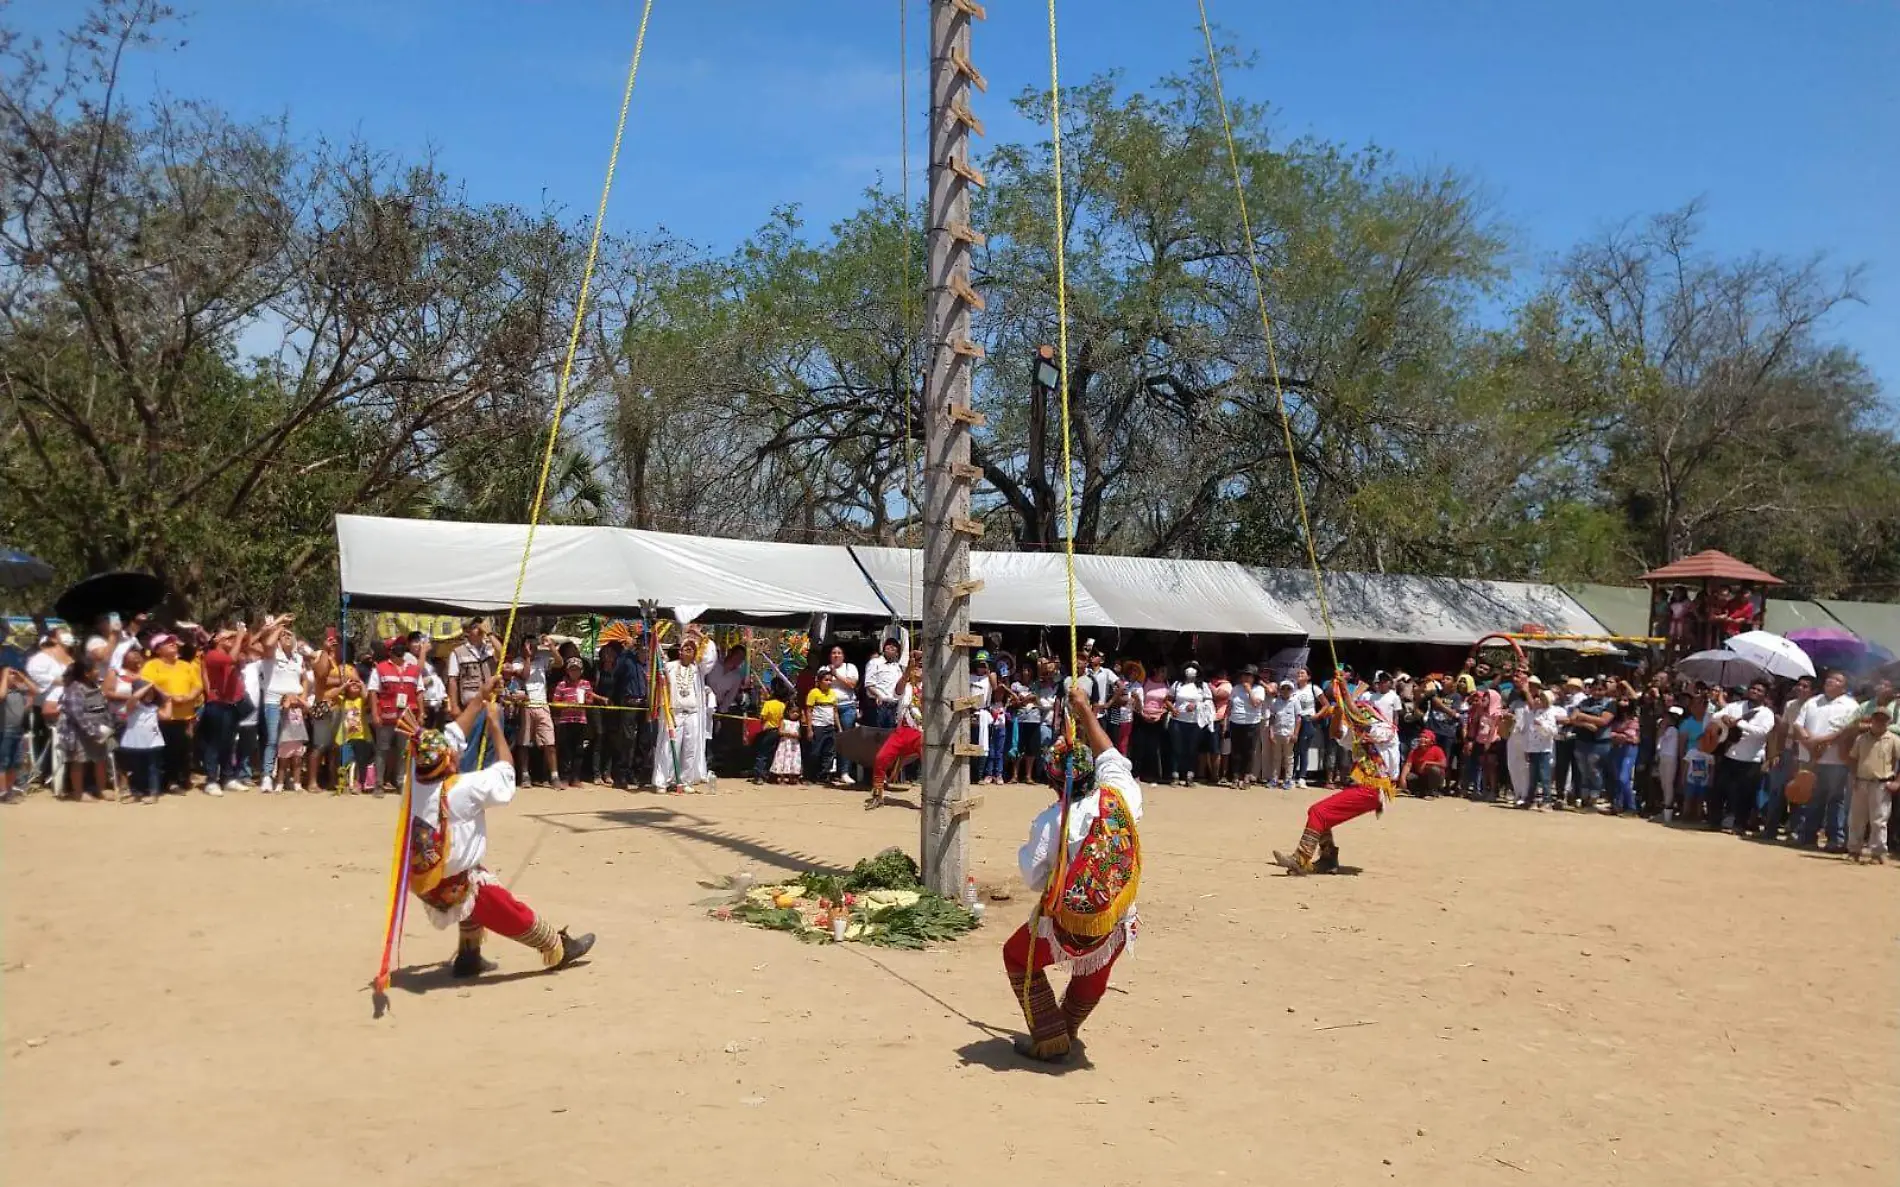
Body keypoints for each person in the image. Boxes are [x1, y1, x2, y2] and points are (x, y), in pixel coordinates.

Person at [391, 683, 595, 982]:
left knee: (473, 876)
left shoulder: (416, 774)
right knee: (504, 907)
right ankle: (557, 947)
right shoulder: (462, 790)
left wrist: (480, 699)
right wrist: (495, 727)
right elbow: (505, 773)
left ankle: (469, 956)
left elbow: (452, 735)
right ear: (447, 760)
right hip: (450, 880)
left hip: (425, 879)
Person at [1004, 679, 1143, 1064]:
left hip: (1068, 919)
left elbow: (1033, 878)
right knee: (1093, 970)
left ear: (1052, 781)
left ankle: (1051, 1036)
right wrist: (1083, 709)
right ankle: (1068, 1028)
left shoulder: (1052, 821)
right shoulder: (1120, 795)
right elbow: (1112, 756)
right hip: (1116, 912)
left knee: (1017, 957)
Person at [1273, 674, 1396, 875]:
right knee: (1318, 812)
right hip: (1364, 788)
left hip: (1372, 789)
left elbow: (1358, 719)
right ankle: (1328, 859)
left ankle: (1301, 859)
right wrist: (1339, 709)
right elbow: (1335, 733)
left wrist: (1345, 694)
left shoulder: (1386, 729)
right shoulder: (1359, 732)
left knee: (1319, 812)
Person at [1791, 670, 1860, 850]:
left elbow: (1847, 732)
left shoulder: (1851, 705)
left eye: (1836, 680)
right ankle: (1808, 836)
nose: (1830, 681)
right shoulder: (1813, 702)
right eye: (1829, 678)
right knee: (1812, 797)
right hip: (1811, 758)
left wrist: (1820, 741)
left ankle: (1835, 839)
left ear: (1844, 687)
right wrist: (1808, 742)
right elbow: (1798, 725)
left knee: (1836, 799)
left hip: (1836, 761)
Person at [655, 627, 718, 793]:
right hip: (674, 713)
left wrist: (700, 636)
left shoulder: (698, 670)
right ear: (680, 651)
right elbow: (657, 664)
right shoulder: (669, 667)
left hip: (692, 714)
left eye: (692, 649)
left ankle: (684, 781)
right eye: (685, 648)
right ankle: (663, 782)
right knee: (669, 748)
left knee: (690, 748)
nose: (688, 651)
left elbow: (710, 656)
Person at [1707, 679, 1773, 833]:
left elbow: (1762, 732)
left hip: (1751, 758)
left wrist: (1739, 724)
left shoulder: (1766, 713)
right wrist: (1723, 719)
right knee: (1719, 789)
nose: (1755, 692)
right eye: (1753, 688)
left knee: (1746, 794)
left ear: (1765, 695)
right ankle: (1714, 822)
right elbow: (1715, 717)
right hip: (1730, 754)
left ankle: (1740, 824)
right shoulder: (1735, 706)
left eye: (1759, 691)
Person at [197, 625, 250, 795]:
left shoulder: (228, 651)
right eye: (227, 639)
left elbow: (249, 639)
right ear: (217, 641)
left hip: (231, 704)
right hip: (216, 703)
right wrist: (239, 635)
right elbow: (232, 660)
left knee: (228, 743)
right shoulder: (212, 655)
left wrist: (236, 633)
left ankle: (227, 778)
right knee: (214, 743)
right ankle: (211, 780)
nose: (232, 641)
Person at [369, 635, 423, 794]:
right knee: (382, 750)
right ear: (390, 650)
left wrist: (422, 712)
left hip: (407, 718)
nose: (400, 649)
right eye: (396, 646)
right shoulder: (380, 668)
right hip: (386, 717)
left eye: (402, 646)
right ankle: (379, 784)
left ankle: (400, 782)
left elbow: (419, 692)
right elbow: (373, 692)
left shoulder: (414, 670)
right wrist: (374, 713)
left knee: (403, 751)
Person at [1844, 707, 1898, 863]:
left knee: (1879, 820)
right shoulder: (1861, 739)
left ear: (1888, 722)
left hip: (1881, 784)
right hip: (1861, 781)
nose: (1879, 722)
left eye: (1883, 719)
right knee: (1856, 819)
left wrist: (1896, 782)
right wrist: (1853, 777)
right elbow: (1853, 758)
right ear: (1872, 720)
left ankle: (1878, 852)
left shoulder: (1893, 739)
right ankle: (1854, 850)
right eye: (1877, 719)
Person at [870, 655, 925, 807]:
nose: (918, 669)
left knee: (930, 763)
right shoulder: (905, 686)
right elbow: (898, 690)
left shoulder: (930, 688)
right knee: (881, 758)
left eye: (921, 667)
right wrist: (908, 669)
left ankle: (932, 797)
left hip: (920, 732)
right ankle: (878, 793)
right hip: (902, 730)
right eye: (916, 667)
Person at [509, 637, 558, 788]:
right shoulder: (517, 662)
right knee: (524, 743)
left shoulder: (543, 659)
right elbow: (524, 676)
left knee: (549, 742)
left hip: (542, 704)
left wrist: (552, 648)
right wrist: (528, 658)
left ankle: (554, 776)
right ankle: (525, 775)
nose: (532, 647)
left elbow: (560, 663)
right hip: (526, 705)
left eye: (534, 645)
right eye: (529, 645)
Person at [552, 656, 601, 788]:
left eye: (577, 670)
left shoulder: (585, 684)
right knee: (565, 750)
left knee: (579, 750)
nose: (574, 672)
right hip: (565, 721)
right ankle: (564, 777)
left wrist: (587, 701)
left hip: (581, 720)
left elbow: (590, 701)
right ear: (567, 671)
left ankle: (576, 777)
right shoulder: (561, 685)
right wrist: (566, 704)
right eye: (572, 669)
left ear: (581, 671)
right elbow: (555, 703)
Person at [1166, 664, 1209, 787]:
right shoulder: (1177, 684)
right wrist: (1173, 709)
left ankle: (1190, 776)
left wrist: (1196, 705)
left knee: (1192, 749)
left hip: (1195, 722)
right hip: (1178, 720)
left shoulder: (1203, 686)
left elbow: (1208, 702)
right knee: (1176, 748)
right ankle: (1175, 775)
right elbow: (1168, 699)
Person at [446, 618, 498, 713]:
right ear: (467, 632)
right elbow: (452, 681)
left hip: (491, 703)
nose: (479, 629)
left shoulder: (490, 649)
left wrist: (490, 634)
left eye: (480, 626)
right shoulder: (457, 652)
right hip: (469, 706)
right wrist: (454, 706)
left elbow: (502, 653)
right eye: (475, 627)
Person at [335, 674, 374, 794]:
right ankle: (344, 783)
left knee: (360, 761)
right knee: (346, 761)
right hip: (346, 736)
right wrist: (344, 685)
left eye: (357, 683)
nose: (355, 684)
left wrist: (362, 684)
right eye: (352, 683)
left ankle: (358, 783)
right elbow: (333, 695)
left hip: (361, 736)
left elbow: (368, 698)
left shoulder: (361, 700)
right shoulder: (343, 700)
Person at [1226, 666, 1264, 788]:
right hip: (1235, 721)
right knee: (1236, 750)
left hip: (1252, 723)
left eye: (1249, 675)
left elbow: (1255, 704)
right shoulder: (1236, 688)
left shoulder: (1259, 689)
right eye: (1244, 675)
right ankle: (1236, 776)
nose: (1246, 678)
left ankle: (1246, 776)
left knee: (1248, 751)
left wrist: (1249, 690)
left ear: (1254, 678)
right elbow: (1230, 705)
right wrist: (1226, 721)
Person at [863, 633, 908, 729]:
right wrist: (878, 695)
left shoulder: (897, 667)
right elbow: (868, 684)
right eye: (888, 644)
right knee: (877, 738)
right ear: (883, 648)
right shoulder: (874, 662)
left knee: (889, 738)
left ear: (897, 653)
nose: (891, 646)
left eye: (894, 645)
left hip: (893, 707)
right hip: (878, 706)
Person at [1265, 678, 1299, 788]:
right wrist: (1271, 733)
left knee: (1288, 758)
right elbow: (1272, 717)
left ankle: (1288, 779)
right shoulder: (1275, 702)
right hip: (1277, 733)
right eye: (1283, 688)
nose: (1285, 690)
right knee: (1276, 757)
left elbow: (1298, 719)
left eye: (1288, 688)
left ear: (1291, 690)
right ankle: (1274, 779)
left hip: (1289, 733)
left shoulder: (1295, 702)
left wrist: (1295, 734)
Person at [752, 681, 787, 784]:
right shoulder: (782, 705)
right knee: (772, 753)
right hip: (777, 731)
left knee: (762, 753)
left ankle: (759, 776)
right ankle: (768, 774)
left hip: (768, 731)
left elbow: (763, 716)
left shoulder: (768, 704)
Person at [275, 691, 309, 792]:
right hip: (286, 740)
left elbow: (309, 707)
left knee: (297, 762)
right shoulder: (283, 710)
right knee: (282, 764)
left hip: (298, 739)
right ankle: (280, 783)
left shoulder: (299, 710)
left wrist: (299, 699)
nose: (293, 698)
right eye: (290, 697)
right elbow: (285, 707)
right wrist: (287, 700)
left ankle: (297, 783)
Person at [1290, 667, 1319, 786]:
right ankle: (1291, 776)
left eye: (1302, 673)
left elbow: (1326, 705)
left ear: (1309, 676)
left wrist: (1315, 717)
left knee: (1303, 750)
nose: (1299, 675)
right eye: (1298, 673)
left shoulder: (1313, 688)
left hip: (1307, 721)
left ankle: (1302, 777)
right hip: (1295, 721)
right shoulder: (1293, 689)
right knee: (1294, 750)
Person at [1656, 705, 1684, 822]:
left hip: (1670, 758)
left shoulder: (1673, 730)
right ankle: (1666, 808)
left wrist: (1662, 726)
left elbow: (1660, 735)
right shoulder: (1669, 729)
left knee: (1668, 784)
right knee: (1664, 783)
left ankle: (1668, 809)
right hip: (1664, 756)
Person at [1401, 731, 1448, 798]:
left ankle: (1433, 790)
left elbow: (1444, 764)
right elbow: (1408, 765)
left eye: (1425, 737)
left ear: (1432, 741)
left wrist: (1427, 763)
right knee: (1408, 776)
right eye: (1421, 737)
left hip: (1435, 778)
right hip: (1421, 776)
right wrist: (1402, 779)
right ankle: (1421, 791)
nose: (1422, 739)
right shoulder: (1414, 751)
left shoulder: (1437, 750)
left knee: (1434, 769)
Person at [770, 700, 805, 784]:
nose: (795, 714)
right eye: (793, 712)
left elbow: (800, 735)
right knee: (783, 759)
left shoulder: (798, 723)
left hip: (794, 745)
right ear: (788, 711)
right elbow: (780, 731)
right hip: (785, 744)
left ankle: (791, 777)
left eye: (797, 712)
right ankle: (781, 776)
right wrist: (788, 734)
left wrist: (796, 735)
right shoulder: (784, 721)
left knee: (793, 759)